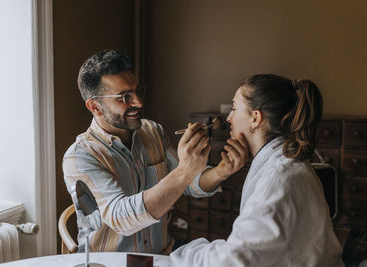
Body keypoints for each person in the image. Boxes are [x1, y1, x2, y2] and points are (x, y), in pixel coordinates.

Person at [62, 50, 249, 253]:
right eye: (124, 97)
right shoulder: (80, 157)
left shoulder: (152, 131)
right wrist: (184, 171)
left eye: (137, 91)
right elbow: (122, 219)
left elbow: (188, 183)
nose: (139, 103)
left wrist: (221, 171)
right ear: (95, 106)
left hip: (161, 255)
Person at [170, 74, 344, 266]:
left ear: (255, 118)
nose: (228, 118)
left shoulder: (279, 178)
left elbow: (232, 261)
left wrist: (183, 253)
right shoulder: (284, 164)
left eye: (234, 108)